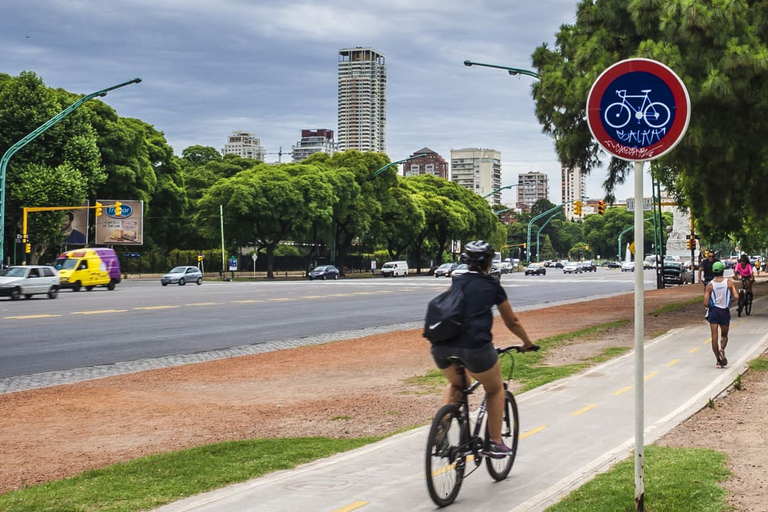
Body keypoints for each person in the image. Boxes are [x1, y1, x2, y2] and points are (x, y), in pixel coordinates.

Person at [430, 240, 538, 458]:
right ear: (489, 262)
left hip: (441, 346)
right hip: (474, 348)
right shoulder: (492, 286)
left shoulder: (457, 281)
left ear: (466, 262)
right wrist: (527, 342)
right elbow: (512, 321)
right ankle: (495, 442)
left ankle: (439, 434)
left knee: (457, 384)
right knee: (496, 388)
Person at [704, 261, 738, 368]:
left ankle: (718, 360)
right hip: (724, 311)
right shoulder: (729, 283)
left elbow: (705, 303)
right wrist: (729, 301)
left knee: (714, 336)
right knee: (724, 335)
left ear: (713, 271)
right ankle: (722, 349)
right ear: (723, 271)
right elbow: (736, 296)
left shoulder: (710, 285)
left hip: (714, 312)